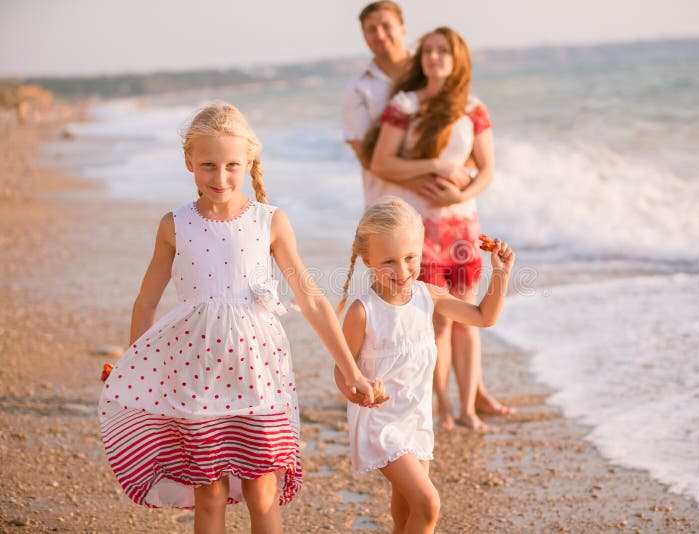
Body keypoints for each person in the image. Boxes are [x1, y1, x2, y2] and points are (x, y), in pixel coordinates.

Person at [98, 102, 378, 533]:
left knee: (261, 490)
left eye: (232, 165)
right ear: (188, 161)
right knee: (208, 492)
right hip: (195, 373)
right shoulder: (174, 225)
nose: (221, 177)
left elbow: (313, 301)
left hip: (258, 372)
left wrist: (350, 367)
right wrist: (138, 365)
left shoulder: (270, 221)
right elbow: (145, 302)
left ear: (249, 162)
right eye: (208, 165)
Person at [333, 197, 515, 533]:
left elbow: (483, 317)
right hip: (379, 420)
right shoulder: (363, 311)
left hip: (416, 418)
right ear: (368, 260)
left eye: (410, 258)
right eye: (389, 261)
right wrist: (356, 390)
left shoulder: (427, 296)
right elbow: (342, 367)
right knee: (428, 504)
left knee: (405, 510)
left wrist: (500, 275)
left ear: (421, 251)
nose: (402, 271)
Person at [363, 26, 511, 431]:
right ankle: (442, 407)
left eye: (443, 51)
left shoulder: (473, 108)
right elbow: (381, 162)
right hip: (421, 228)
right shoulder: (406, 104)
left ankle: (468, 409)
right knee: (438, 319)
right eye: (427, 50)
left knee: (468, 316)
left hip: (463, 226)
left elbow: (487, 171)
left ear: (457, 57)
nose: (434, 57)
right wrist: (436, 167)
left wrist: (458, 196)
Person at [342, 1, 410, 206]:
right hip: (388, 205)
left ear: (403, 29)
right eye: (371, 30)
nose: (380, 35)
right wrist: (427, 180)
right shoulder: (357, 89)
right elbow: (366, 156)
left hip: (444, 200)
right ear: (364, 37)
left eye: (386, 26)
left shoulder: (431, 72)